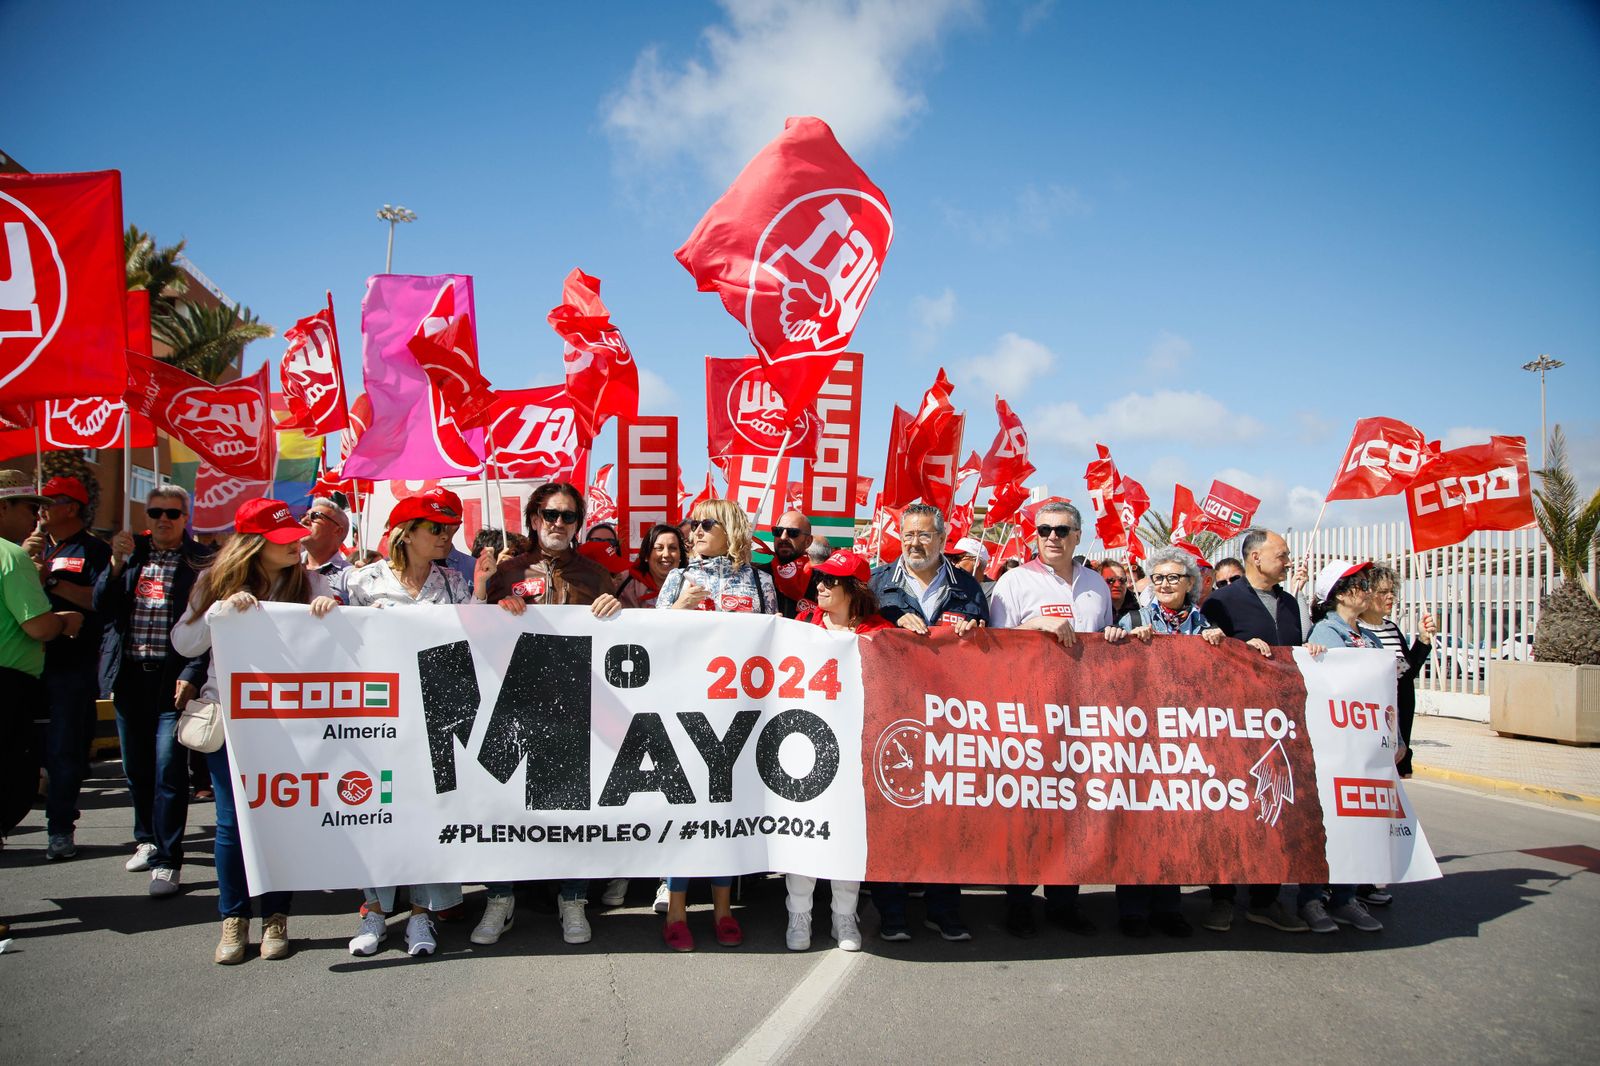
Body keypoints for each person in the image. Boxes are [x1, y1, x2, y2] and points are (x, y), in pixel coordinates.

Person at [171, 499, 340, 963]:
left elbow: (340, 635)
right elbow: (183, 641)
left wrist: (331, 606)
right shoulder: (214, 582)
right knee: (230, 822)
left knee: (279, 817)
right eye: (283, 540)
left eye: (296, 537)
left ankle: (276, 917)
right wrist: (218, 613)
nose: (297, 545)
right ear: (252, 544)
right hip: (231, 719)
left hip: (290, 721)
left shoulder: (308, 581)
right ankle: (233, 919)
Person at [344, 487, 499, 957]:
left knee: (425, 816)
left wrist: (483, 587)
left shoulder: (452, 580)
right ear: (405, 533)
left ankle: (420, 917)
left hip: (434, 714)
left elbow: (472, 635)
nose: (445, 535)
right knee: (373, 814)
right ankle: (373, 913)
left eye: (451, 528)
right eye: (435, 528)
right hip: (377, 716)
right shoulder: (360, 581)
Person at [477, 482, 623, 948]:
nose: (559, 524)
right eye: (550, 515)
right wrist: (494, 604)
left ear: (579, 524)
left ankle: (573, 899)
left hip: (574, 708)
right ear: (534, 518)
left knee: (570, 812)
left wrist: (616, 608)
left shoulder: (597, 576)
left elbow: (628, 639)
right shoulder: (508, 571)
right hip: (514, 704)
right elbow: (476, 631)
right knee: (503, 808)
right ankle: (500, 900)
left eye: (568, 516)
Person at [987, 500, 1125, 938]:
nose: (1051, 537)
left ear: (1078, 536)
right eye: (1044, 529)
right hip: (1029, 711)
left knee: (1074, 809)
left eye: (1061, 530)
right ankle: (1019, 902)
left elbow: (1104, 640)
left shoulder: (1097, 586)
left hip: (1084, 712)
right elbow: (991, 646)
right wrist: (1036, 626)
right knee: (1028, 809)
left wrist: (1115, 637)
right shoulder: (1014, 582)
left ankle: (1064, 902)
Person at [654, 498, 778, 951]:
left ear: (731, 529)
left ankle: (725, 910)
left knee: (727, 813)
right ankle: (677, 911)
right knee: (685, 814)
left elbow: (778, 640)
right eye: (694, 524)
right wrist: (679, 608)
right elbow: (649, 642)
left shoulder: (759, 581)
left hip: (740, 715)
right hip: (685, 714)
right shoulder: (678, 577)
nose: (696, 531)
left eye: (707, 523)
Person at [867, 503, 985, 942]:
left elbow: (989, 644)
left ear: (941, 538)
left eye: (924, 535)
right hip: (889, 714)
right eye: (908, 534)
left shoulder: (968, 586)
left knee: (945, 817)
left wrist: (976, 634)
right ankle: (892, 911)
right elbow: (858, 629)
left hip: (946, 718)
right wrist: (892, 622)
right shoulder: (877, 582)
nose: (914, 543)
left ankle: (944, 909)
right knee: (891, 817)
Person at [95, 484, 214, 896]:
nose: (163, 519)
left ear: (186, 519)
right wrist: (115, 562)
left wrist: (194, 672)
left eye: (172, 513)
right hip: (130, 677)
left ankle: (167, 859)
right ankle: (145, 837)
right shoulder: (132, 554)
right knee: (137, 768)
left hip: (174, 680)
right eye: (155, 512)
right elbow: (103, 608)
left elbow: (208, 625)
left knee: (168, 768)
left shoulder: (201, 560)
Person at [1198, 528, 1318, 933]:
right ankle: (1221, 897)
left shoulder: (1289, 603)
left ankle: (1265, 899)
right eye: (1281, 554)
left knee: (1276, 809)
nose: (1288, 560)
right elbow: (1206, 657)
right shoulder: (1221, 602)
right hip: (1233, 722)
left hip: (1282, 724)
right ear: (1254, 558)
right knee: (1229, 812)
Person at [1116, 545, 1230, 938]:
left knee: (1174, 825)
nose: (1165, 584)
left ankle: (1169, 907)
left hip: (1186, 741)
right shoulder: (1133, 617)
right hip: (1139, 738)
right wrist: (1123, 639)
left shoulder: (1206, 626)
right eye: (1158, 577)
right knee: (1137, 825)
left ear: (1191, 584)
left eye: (1174, 578)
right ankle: (1131, 910)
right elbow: (1101, 663)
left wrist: (1227, 648)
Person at [783, 550, 890, 952]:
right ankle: (799, 913)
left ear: (854, 589)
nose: (821, 585)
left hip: (855, 748)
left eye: (831, 579)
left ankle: (844, 915)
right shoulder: (802, 625)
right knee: (801, 831)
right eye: (820, 578)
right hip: (802, 745)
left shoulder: (880, 632)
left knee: (847, 832)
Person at [1299, 559, 1387, 934]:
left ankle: (1346, 898)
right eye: (1360, 583)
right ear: (1341, 592)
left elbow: (1385, 696)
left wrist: (1394, 740)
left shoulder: (1370, 639)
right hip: (1334, 746)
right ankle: (1312, 898)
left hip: (1364, 749)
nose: (1368, 590)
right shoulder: (1325, 633)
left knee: (1358, 825)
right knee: (1327, 824)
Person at [1, 471, 83, 853]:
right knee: (11, 786)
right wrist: (65, 622)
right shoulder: (12, 556)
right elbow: (37, 626)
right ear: (4, 506)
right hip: (8, 685)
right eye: (31, 507)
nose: (38, 517)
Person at [29, 477, 111, 861]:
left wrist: (51, 580)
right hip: (25, 663)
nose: (41, 508)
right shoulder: (31, 547)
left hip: (71, 666)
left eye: (50, 501)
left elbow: (99, 601)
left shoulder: (95, 550)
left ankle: (60, 828)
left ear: (72, 507)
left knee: (65, 751)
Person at [1361, 563, 1434, 780]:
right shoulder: (1355, 629)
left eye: (1392, 591)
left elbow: (1407, 673)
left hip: (1399, 719)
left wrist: (1423, 640)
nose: (1390, 597)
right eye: (1382, 592)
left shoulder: (1392, 628)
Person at [761, 509, 820, 618]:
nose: (783, 537)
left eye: (793, 532)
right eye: (778, 531)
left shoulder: (822, 580)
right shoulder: (758, 574)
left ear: (808, 541)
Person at [616, 523, 685, 609]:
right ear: (646, 555)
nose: (666, 554)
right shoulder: (623, 583)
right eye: (659, 548)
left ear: (680, 555)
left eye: (673, 548)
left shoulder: (693, 583)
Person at [300, 496, 352, 600]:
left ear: (337, 531)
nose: (304, 520)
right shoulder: (285, 566)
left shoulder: (351, 576)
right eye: (304, 516)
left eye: (315, 516)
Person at [1098, 559, 1141, 628]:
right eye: (1110, 581)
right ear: (1099, 582)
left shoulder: (1140, 611)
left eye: (1122, 580)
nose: (1117, 585)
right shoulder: (1093, 612)